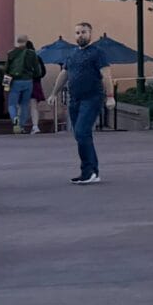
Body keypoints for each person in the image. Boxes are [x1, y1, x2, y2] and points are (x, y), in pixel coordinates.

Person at [59, 21, 110, 184]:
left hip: (92, 97)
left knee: (82, 132)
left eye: (84, 32)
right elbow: (64, 74)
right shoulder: (72, 53)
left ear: (90, 34)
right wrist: (54, 93)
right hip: (75, 99)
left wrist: (110, 96)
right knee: (81, 135)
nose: (80, 35)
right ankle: (91, 170)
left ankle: (89, 171)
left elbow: (106, 74)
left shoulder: (97, 53)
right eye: (78, 33)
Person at [3, 36, 43, 133]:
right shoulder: (32, 53)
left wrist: (6, 84)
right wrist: (36, 76)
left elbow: (6, 69)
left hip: (15, 81)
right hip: (28, 81)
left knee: (12, 104)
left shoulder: (11, 53)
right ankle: (21, 125)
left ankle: (14, 118)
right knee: (24, 104)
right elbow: (37, 70)